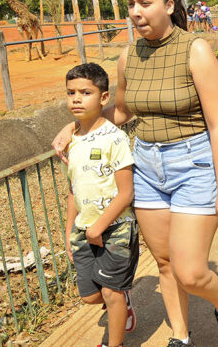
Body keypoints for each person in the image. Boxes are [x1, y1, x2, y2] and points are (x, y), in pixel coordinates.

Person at [53, 0, 218, 347]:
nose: (136, 12)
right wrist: (76, 127)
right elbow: (122, 112)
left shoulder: (196, 50)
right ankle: (181, 334)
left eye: (145, 3)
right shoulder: (128, 56)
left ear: (169, 5)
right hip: (147, 165)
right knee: (166, 264)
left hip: (193, 163)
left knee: (190, 271)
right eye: (130, 5)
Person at [63, 63, 138, 347]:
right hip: (84, 230)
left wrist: (100, 227)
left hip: (116, 229)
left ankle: (113, 343)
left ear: (104, 98)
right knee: (90, 296)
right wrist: (70, 230)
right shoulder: (71, 140)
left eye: (85, 92)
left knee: (109, 293)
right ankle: (123, 297)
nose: (77, 98)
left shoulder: (114, 138)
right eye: (71, 93)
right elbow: (73, 189)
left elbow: (126, 192)